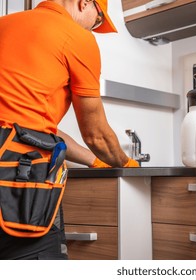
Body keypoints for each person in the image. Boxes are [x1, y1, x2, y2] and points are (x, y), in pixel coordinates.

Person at [0, 0, 138, 259]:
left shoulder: (5, 24)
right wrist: (125, 163)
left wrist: (94, 161)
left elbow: (36, 128)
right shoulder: (76, 36)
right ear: (85, 3)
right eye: (97, 21)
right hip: (18, 175)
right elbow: (96, 134)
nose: (94, 29)